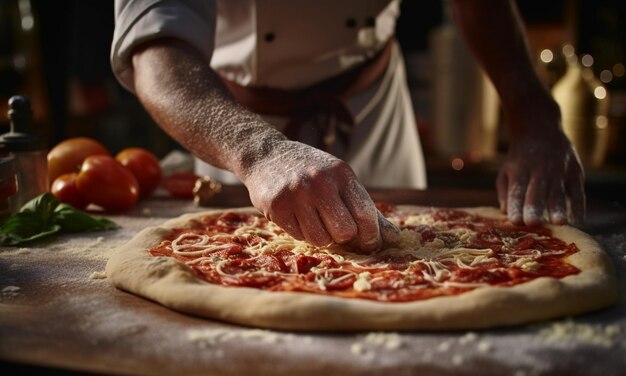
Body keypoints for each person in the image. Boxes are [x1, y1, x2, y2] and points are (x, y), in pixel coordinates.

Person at [110, 0, 585, 253]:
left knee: (410, 261)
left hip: (372, 107)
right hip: (230, 124)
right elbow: (158, 59)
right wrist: (261, 153)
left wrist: (534, 112)